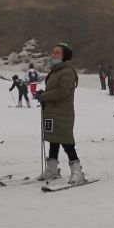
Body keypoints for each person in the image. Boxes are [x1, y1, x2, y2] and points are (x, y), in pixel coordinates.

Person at [40, 43, 84, 184]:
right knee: (53, 139)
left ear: (64, 55)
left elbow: (63, 91)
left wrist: (45, 96)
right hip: (52, 111)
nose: (53, 55)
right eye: (53, 52)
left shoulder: (67, 71)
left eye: (57, 53)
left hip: (63, 112)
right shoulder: (55, 71)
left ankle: (77, 171)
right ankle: (52, 169)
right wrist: (43, 94)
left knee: (66, 140)